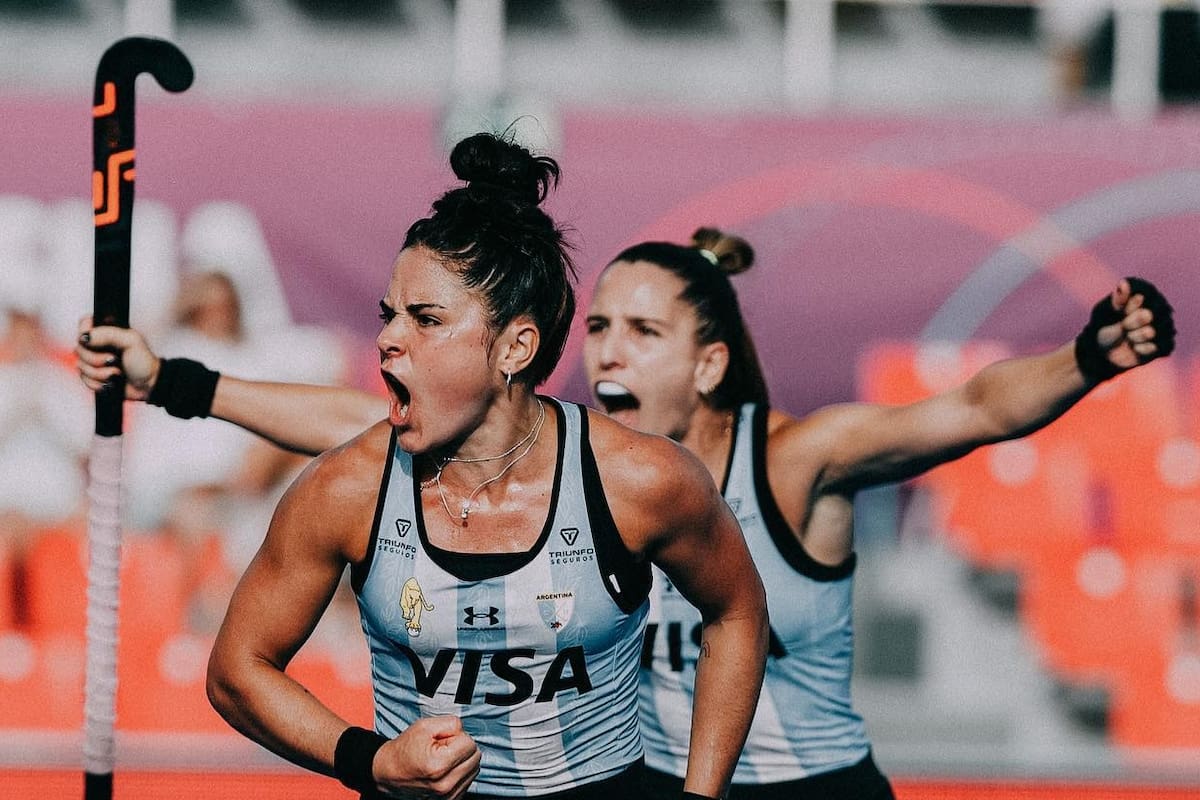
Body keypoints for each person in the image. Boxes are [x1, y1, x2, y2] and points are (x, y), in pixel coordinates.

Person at [79, 228, 1175, 795]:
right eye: (597, 324)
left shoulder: (790, 460)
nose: (604, 348)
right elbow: (352, 422)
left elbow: (976, 407)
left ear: (706, 362)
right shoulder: (552, 459)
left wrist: (1089, 354)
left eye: (639, 332)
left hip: (803, 791)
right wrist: (173, 378)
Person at [81, 135, 768, 800]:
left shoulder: (641, 480)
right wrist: (371, 760)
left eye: (426, 319)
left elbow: (737, 611)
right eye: (389, 315)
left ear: (515, 347)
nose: (386, 338)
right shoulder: (349, 487)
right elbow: (236, 672)